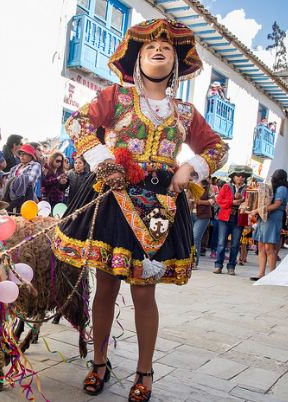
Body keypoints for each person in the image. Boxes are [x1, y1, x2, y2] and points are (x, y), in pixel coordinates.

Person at [53, 19, 228, 400]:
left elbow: (217, 148)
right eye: (150, 47)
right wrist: (103, 159)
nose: (158, 50)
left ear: (177, 63)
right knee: (106, 287)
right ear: (138, 58)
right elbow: (78, 121)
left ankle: (145, 370)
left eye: (166, 47)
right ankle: (99, 361)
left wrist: (190, 167)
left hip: (160, 206)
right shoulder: (116, 96)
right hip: (114, 199)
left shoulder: (185, 112)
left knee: (144, 292)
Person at [250, 169, 288, 280]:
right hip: (265, 217)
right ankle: (261, 274)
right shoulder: (276, 188)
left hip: (273, 217)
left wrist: (258, 210)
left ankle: (272, 275)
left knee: (269, 247)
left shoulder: (282, 189)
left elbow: (276, 205)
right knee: (261, 246)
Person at [213, 165, 251, 275]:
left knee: (235, 245)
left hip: (239, 219)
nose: (241, 177)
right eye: (238, 175)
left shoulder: (248, 189)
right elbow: (219, 200)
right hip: (225, 218)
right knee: (221, 243)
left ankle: (231, 267)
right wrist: (232, 202)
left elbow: (251, 203)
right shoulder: (226, 186)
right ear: (233, 177)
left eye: (243, 176)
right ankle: (218, 265)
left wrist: (243, 201)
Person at [2, 143, 41, 212]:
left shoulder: (35, 165)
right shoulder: (15, 167)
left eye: (25, 153)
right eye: (20, 154)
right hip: (11, 196)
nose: (21, 156)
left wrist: (15, 181)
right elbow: (7, 181)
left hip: (26, 196)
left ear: (31, 156)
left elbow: (30, 180)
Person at [191, 179, 215, 267]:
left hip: (202, 216)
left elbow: (212, 200)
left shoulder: (208, 186)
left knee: (195, 238)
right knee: (188, 238)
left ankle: (193, 262)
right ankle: (186, 261)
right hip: (189, 214)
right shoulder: (189, 183)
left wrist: (200, 202)